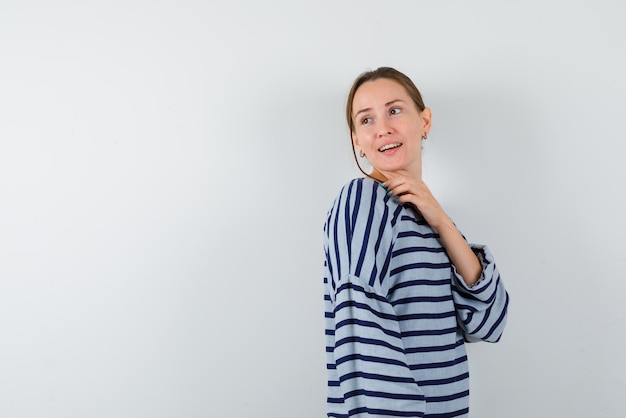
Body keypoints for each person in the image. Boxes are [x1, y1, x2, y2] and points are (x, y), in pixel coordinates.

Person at [323, 67, 509, 417]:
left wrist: (441, 220)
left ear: (424, 121)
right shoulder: (362, 199)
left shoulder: (429, 219)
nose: (382, 128)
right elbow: (360, 332)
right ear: (356, 141)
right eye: (366, 120)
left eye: (394, 110)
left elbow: (490, 320)